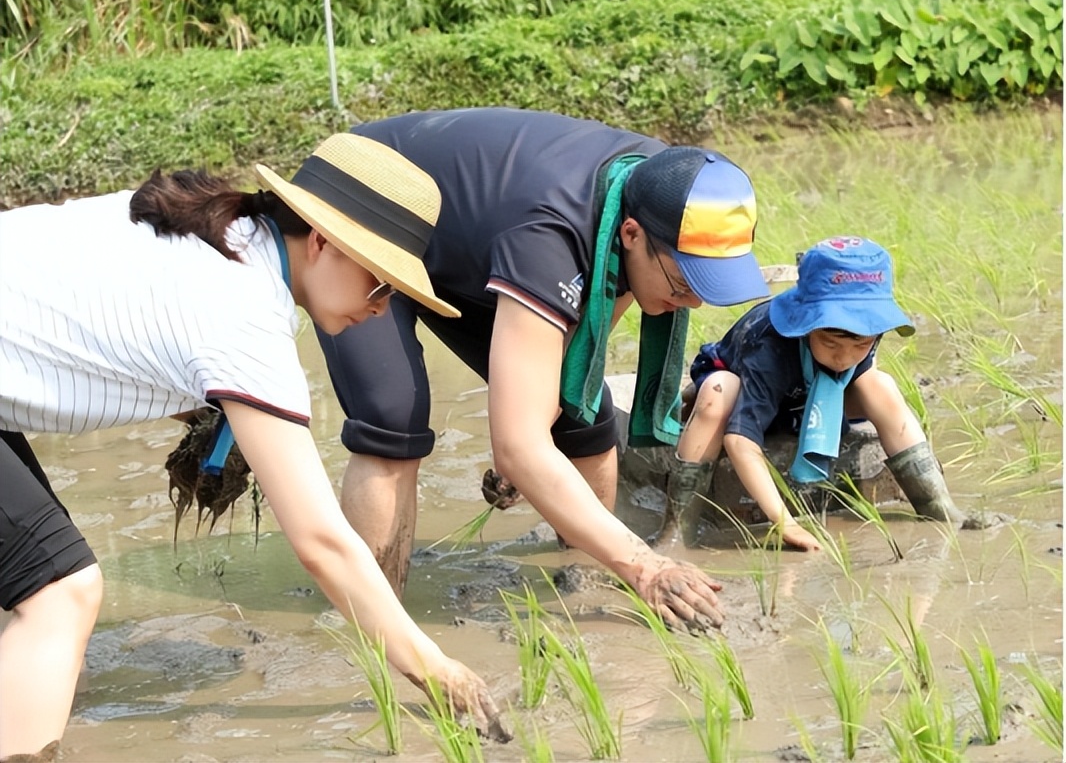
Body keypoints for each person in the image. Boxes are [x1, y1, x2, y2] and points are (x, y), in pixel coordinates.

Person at [0, 133, 508, 762]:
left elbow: (109, 323)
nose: (382, 312)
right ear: (322, 242)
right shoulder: (244, 316)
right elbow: (323, 543)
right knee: (58, 592)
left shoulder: (224, 232)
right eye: (381, 287)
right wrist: (437, 670)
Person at [314, 107, 771, 632]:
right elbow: (519, 443)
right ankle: (373, 623)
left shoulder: (663, 185)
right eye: (684, 282)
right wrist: (645, 564)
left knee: (583, 415)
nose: (690, 301)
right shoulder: (551, 235)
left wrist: (530, 439)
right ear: (631, 235)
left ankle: (585, 589)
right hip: (366, 203)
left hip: (473, 236)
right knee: (392, 415)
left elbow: (580, 349)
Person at [658, 236, 966, 551]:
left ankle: (938, 507)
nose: (844, 358)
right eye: (831, 344)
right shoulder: (769, 346)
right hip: (744, 391)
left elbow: (858, 369)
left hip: (805, 398)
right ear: (805, 326)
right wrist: (785, 523)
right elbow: (739, 441)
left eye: (860, 345)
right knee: (717, 392)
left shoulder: (865, 335)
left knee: (881, 384)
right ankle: (678, 531)